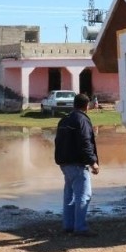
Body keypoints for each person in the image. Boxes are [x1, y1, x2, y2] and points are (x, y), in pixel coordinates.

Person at [54, 93, 99, 236]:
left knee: (69, 195)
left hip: (64, 163)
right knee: (84, 195)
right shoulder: (82, 120)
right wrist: (93, 162)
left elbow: (57, 142)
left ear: (74, 104)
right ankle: (80, 227)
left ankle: (68, 225)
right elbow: (85, 142)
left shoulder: (64, 120)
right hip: (77, 164)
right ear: (87, 106)